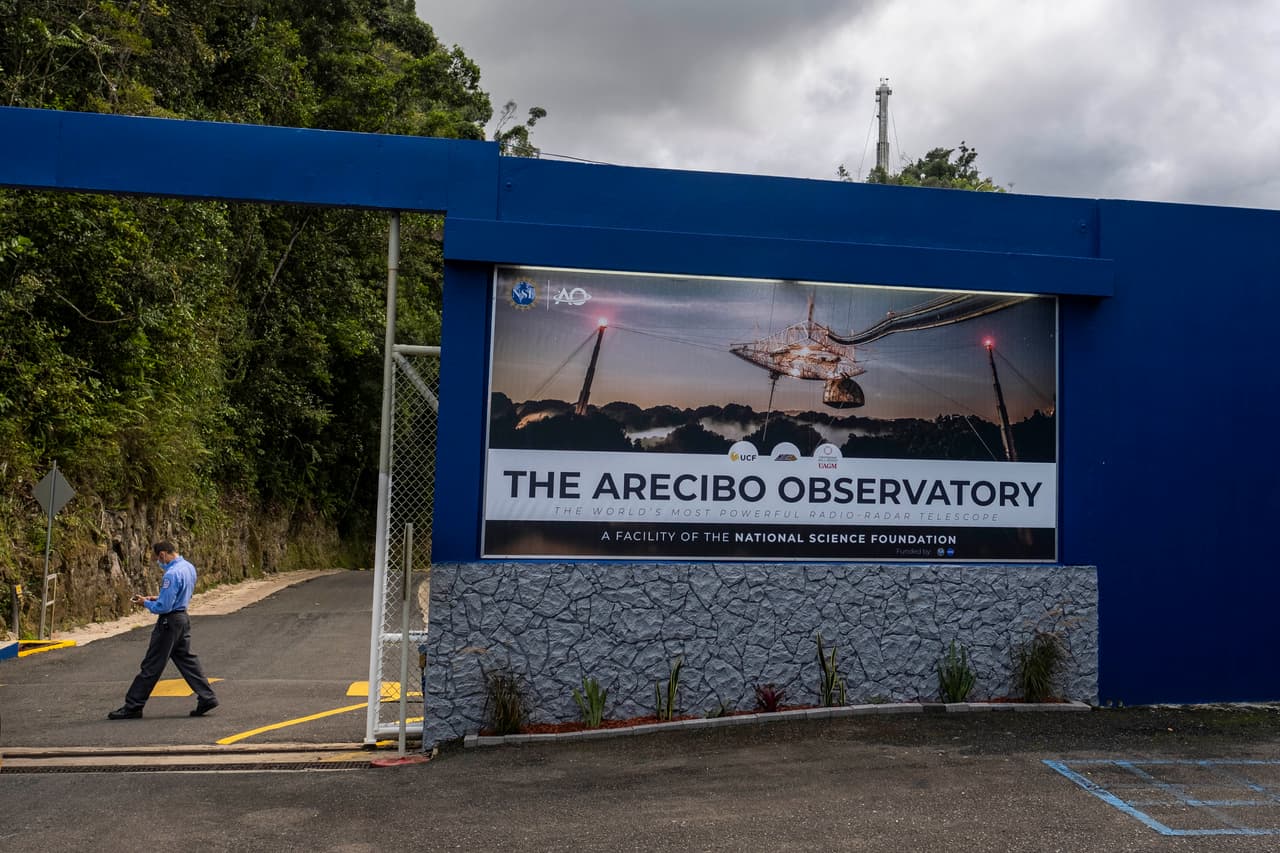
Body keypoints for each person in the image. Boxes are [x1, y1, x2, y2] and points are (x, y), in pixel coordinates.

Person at [108, 541, 219, 719]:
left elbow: (164, 607)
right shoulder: (188, 567)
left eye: (158, 559)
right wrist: (157, 598)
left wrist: (145, 603)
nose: (159, 563)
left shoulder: (171, 574)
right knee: (187, 660)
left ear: (162, 555)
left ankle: (133, 705)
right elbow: (180, 595)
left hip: (169, 622)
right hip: (182, 617)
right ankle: (207, 697)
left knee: (152, 664)